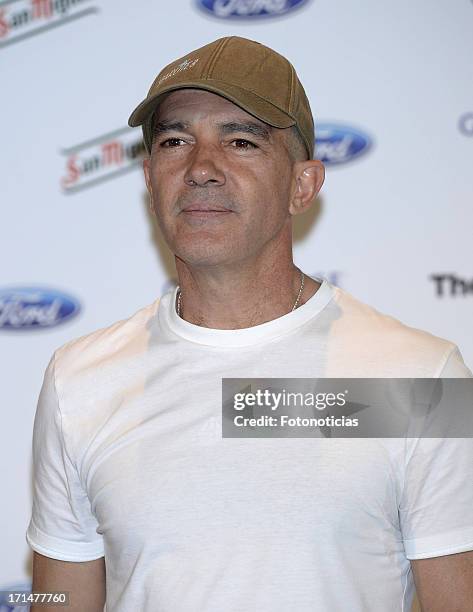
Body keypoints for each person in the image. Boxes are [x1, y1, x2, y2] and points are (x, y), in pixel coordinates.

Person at [26, 36, 473, 612]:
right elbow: (56, 596)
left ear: (302, 185)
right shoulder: (79, 378)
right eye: (174, 140)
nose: (201, 168)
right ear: (150, 179)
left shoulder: (423, 376)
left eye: (240, 141)